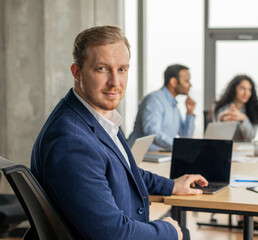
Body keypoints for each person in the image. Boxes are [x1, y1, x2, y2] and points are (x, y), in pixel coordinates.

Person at [31, 26, 208, 240]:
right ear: (77, 73)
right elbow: (112, 233)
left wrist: (172, 185)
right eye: (102, 69)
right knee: (182, 232)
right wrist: (168, 231)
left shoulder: (97, 119)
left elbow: (125, 171)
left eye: (122, 69)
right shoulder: (72, 142)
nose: (115, 82)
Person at [128, 64, 195, 151]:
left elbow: (185, 138)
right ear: (173, 82)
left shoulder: (174, 107)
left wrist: (190, 113)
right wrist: (179, 146)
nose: (190, 85)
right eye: (187, 81)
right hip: (140, 157)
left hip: (158, 156)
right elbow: (152, 133)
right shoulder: (154, 100)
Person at [213, 74, 258, 141]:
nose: (246, 93)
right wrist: (221, 120)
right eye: (242, 88)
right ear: (234, 89)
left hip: (245, 149)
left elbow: (251, 136)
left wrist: (243, 118)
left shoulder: (254, 109)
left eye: (249, 89)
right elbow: (216, 135)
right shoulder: (220, 108)